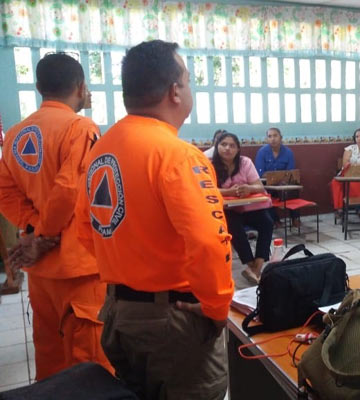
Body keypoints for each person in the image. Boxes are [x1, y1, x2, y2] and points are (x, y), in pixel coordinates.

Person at [74, 40, 233, 399]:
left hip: (118, 314)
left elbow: (85, 230)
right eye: (188, 81)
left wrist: (128, 266)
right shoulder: (178, 156)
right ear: (175, 91)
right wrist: (217, 306)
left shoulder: (100, 150)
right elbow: (209, 242)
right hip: (172, 319)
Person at [0, 53, 112, 380]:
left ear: (38, 87)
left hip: (42, 272)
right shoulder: (81, 127)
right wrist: (46, 235)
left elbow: (5, 194)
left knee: (49, 357)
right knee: (90, 366)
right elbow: (69, 189)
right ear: (80, 86)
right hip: (77, 267)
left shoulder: (16, 135)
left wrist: (34, 230)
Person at [213, 132, 274, 285]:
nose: (228, 149)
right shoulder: (209, 164)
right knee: (234, 226)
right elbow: (208, 190)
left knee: (267, 222)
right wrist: (229, 192)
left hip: (249, 207)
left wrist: (248, 188)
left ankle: (257, 267)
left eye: (232, 145)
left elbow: (259, 186)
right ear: (217, 146)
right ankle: (250, 265)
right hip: (226, 211)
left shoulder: (245, 162)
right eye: (223, 144)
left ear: (238, 149)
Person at [254, 127, 298, 227]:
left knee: (294, 190)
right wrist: (277, 176)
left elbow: (290, 172)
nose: (272, 139)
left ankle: (295, 218)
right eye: (270, 136)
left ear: (281, 137)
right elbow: (260, 173)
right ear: (267, 139)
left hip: (284, 183)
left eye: (275, 136)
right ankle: (275, 220)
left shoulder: (288, 152)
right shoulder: (262, 152)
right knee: (266, 194)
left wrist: (280, 178)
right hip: (267, 184)